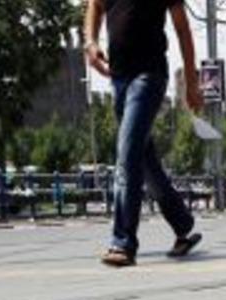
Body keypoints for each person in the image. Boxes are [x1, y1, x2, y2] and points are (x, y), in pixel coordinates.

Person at [84, 0, 204, 267]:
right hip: (118, 77)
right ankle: (183, 224)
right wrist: (90, 43)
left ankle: (123, 243)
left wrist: (191, 83)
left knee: (126, 156)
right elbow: (95, 6)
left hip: (149, 76)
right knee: (145, 161)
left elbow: (183, 29)